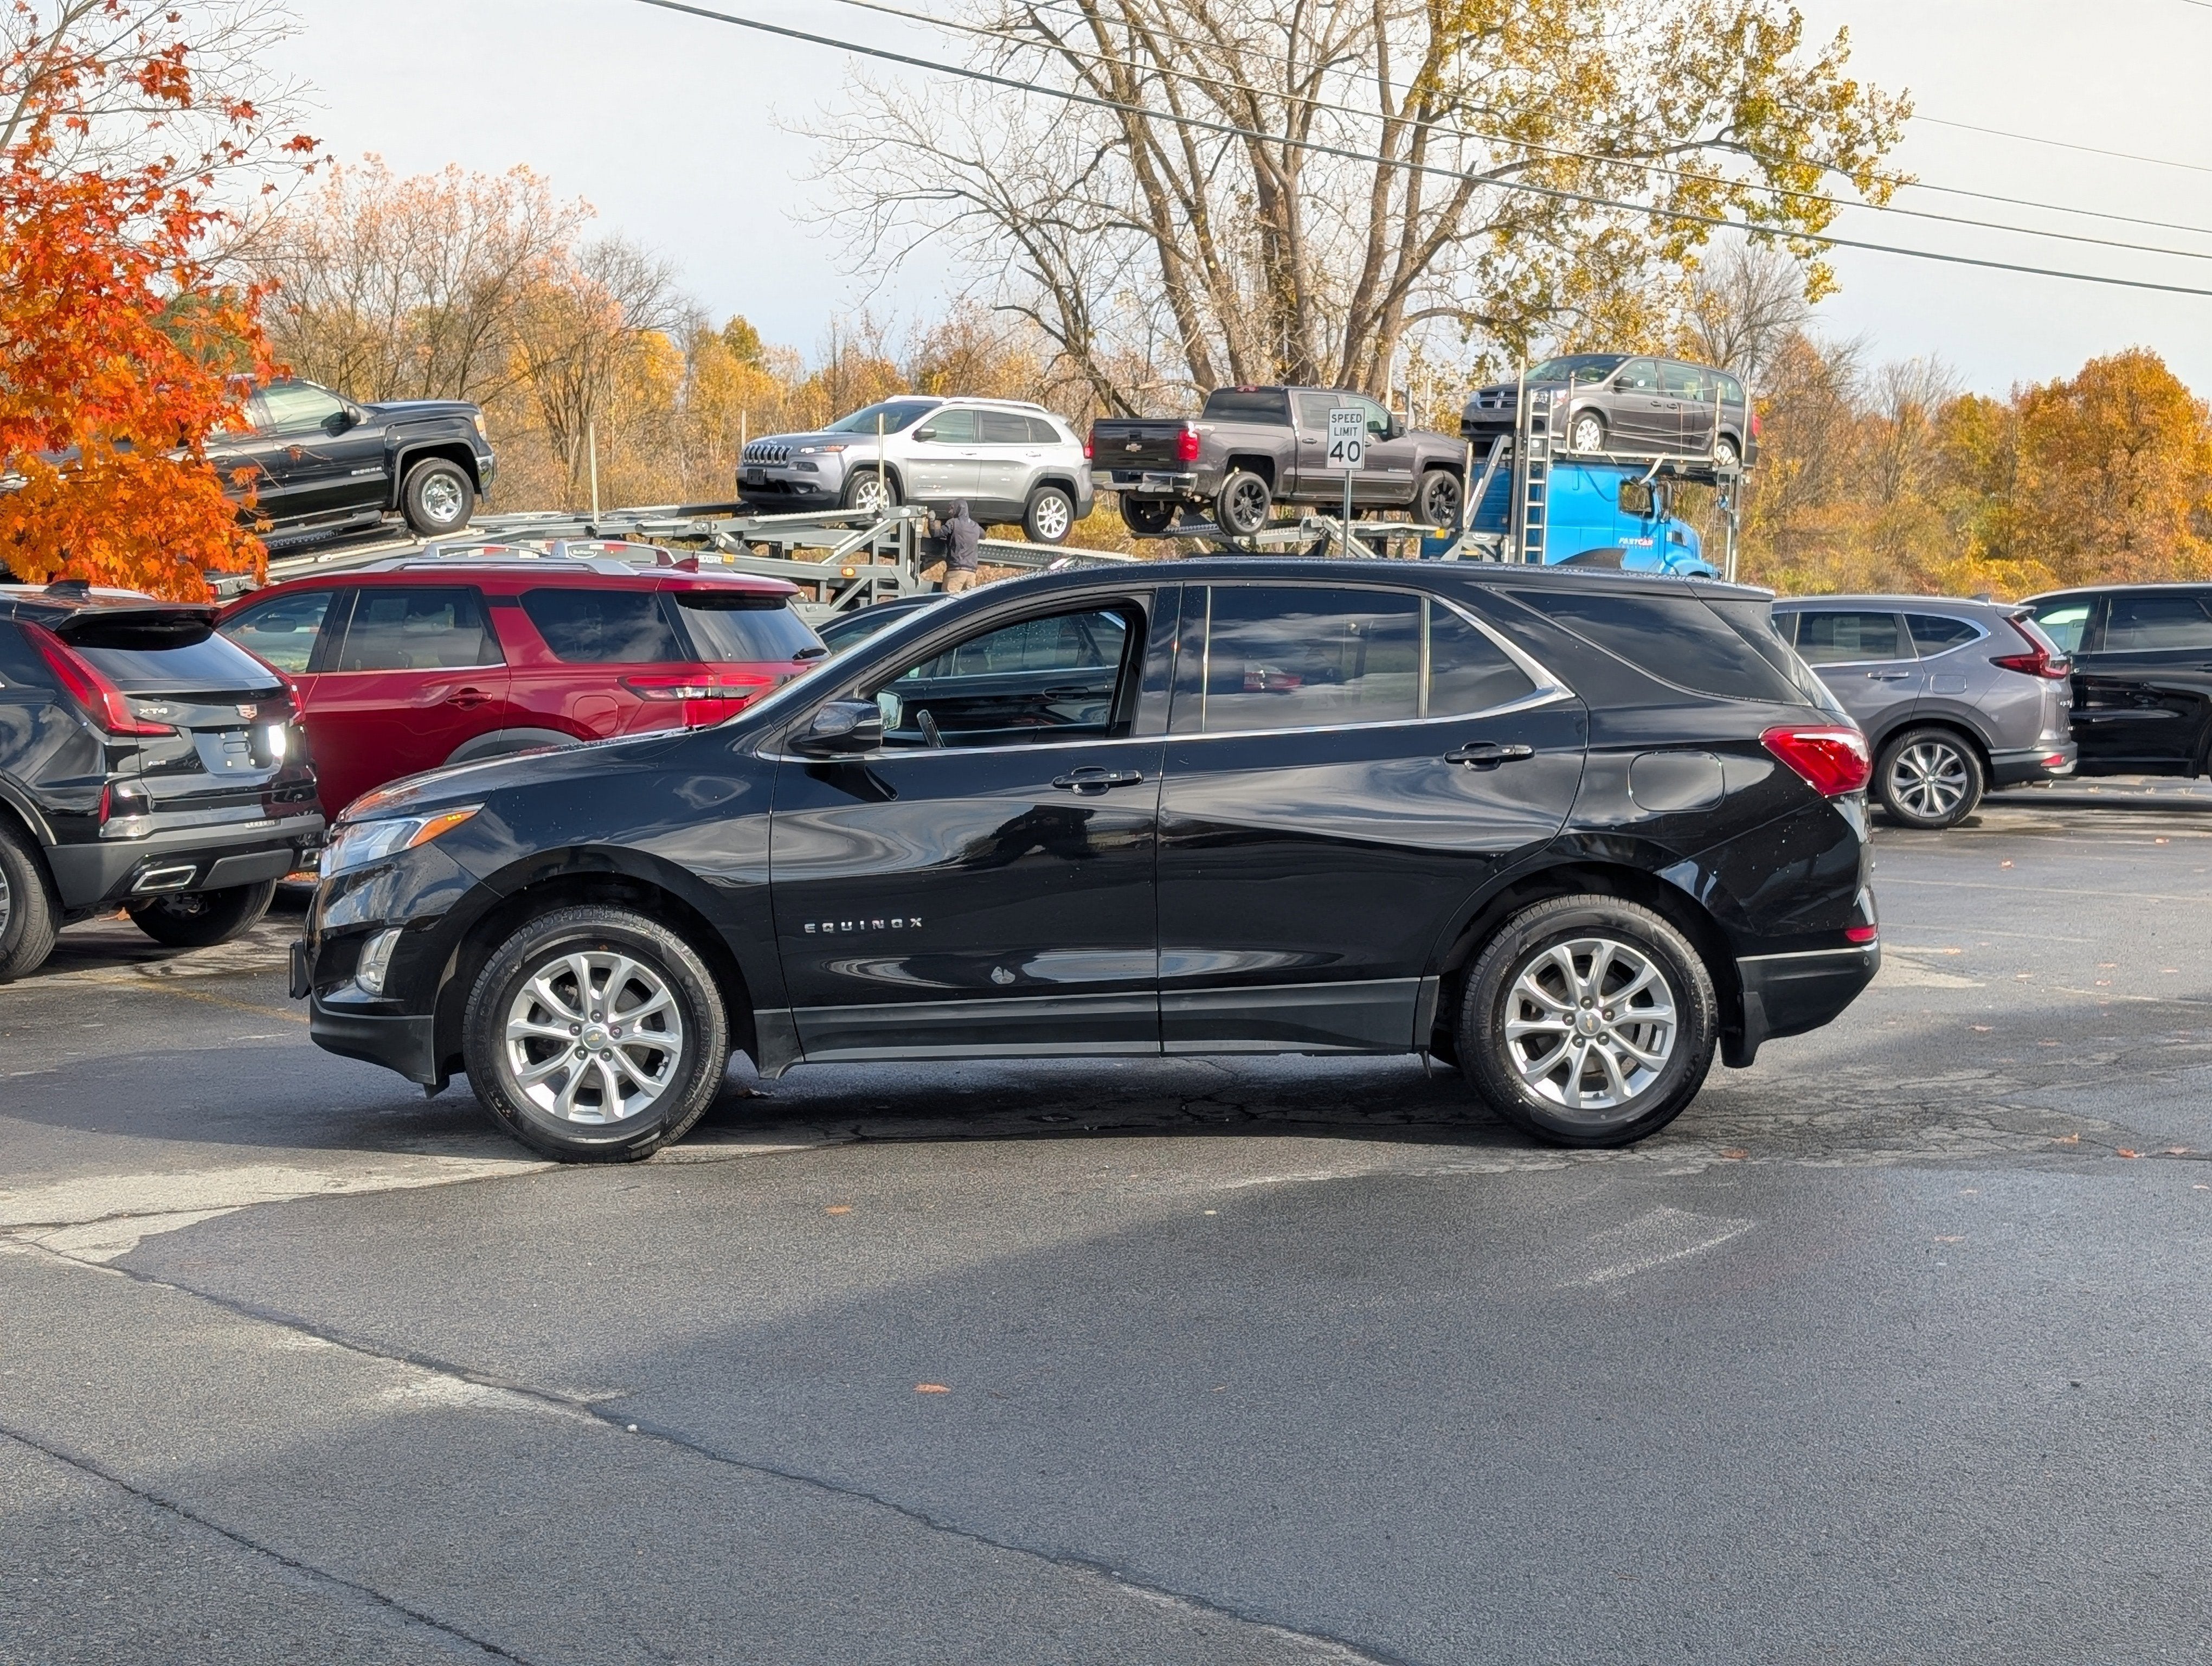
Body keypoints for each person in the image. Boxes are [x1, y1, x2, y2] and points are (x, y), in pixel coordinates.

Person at [933, 500, 981, 593]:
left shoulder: (953, 523)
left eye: (952, 509)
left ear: (958, 509)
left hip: (956, 571)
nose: (949, 512)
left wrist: (932, 521)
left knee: (948, 602)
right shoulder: (975, 526)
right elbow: (984, 535)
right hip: (971, 573)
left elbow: (936, 534)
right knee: (969, 604)